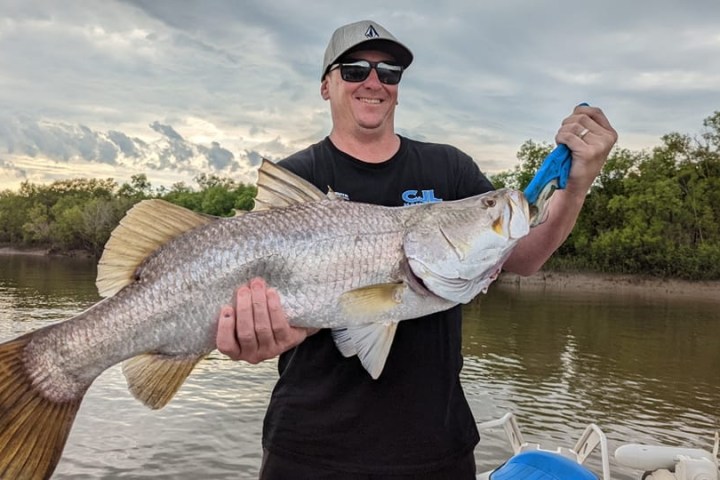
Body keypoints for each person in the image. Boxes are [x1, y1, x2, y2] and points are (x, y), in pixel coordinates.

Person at [215, 19, 617, 479]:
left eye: (389, 72)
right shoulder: (297, 177)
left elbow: (522, 257)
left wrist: (577, 187)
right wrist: (250, 335)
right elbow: (263, 305)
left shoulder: (449, 167)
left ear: (399, 89)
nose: (374, 82)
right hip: (307, 450)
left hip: (435, 447)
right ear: (326, 85)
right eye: (354, 70)